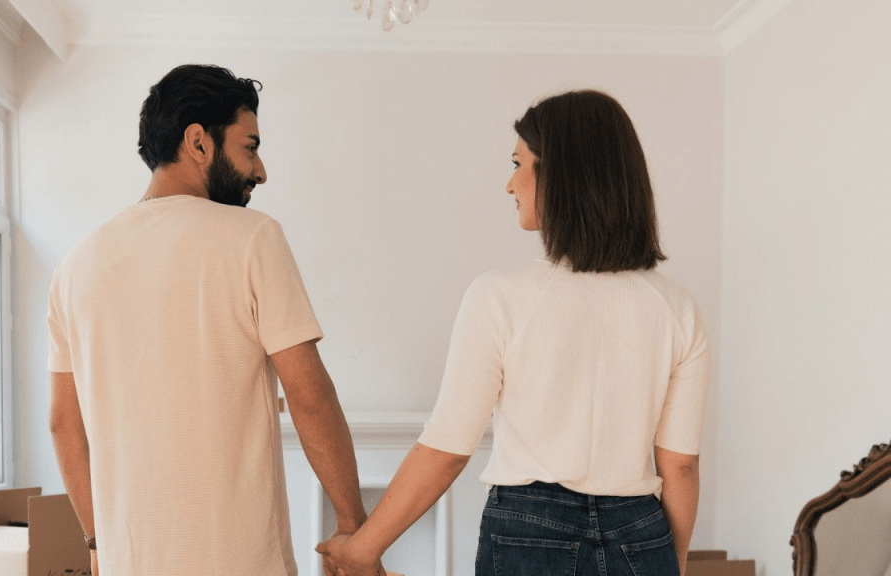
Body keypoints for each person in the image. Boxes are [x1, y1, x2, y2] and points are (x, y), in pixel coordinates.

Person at [317, 90, 710, 576]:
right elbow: (681, 467)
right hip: (640, 530)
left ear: (560, 175)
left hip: (528, 529)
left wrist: (364, 547)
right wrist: (671, 562)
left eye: (518, 163)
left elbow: (446, 449)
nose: (510, 184)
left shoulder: (499, 296)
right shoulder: (679, 308)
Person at [48, 64, 376, 576]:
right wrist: (355, 528)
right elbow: (309, 394)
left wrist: (97, 543)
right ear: (198, 142)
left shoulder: (74, 267)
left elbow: (65, 425)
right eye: (250, 146)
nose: (260, 170)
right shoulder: (252, 238)